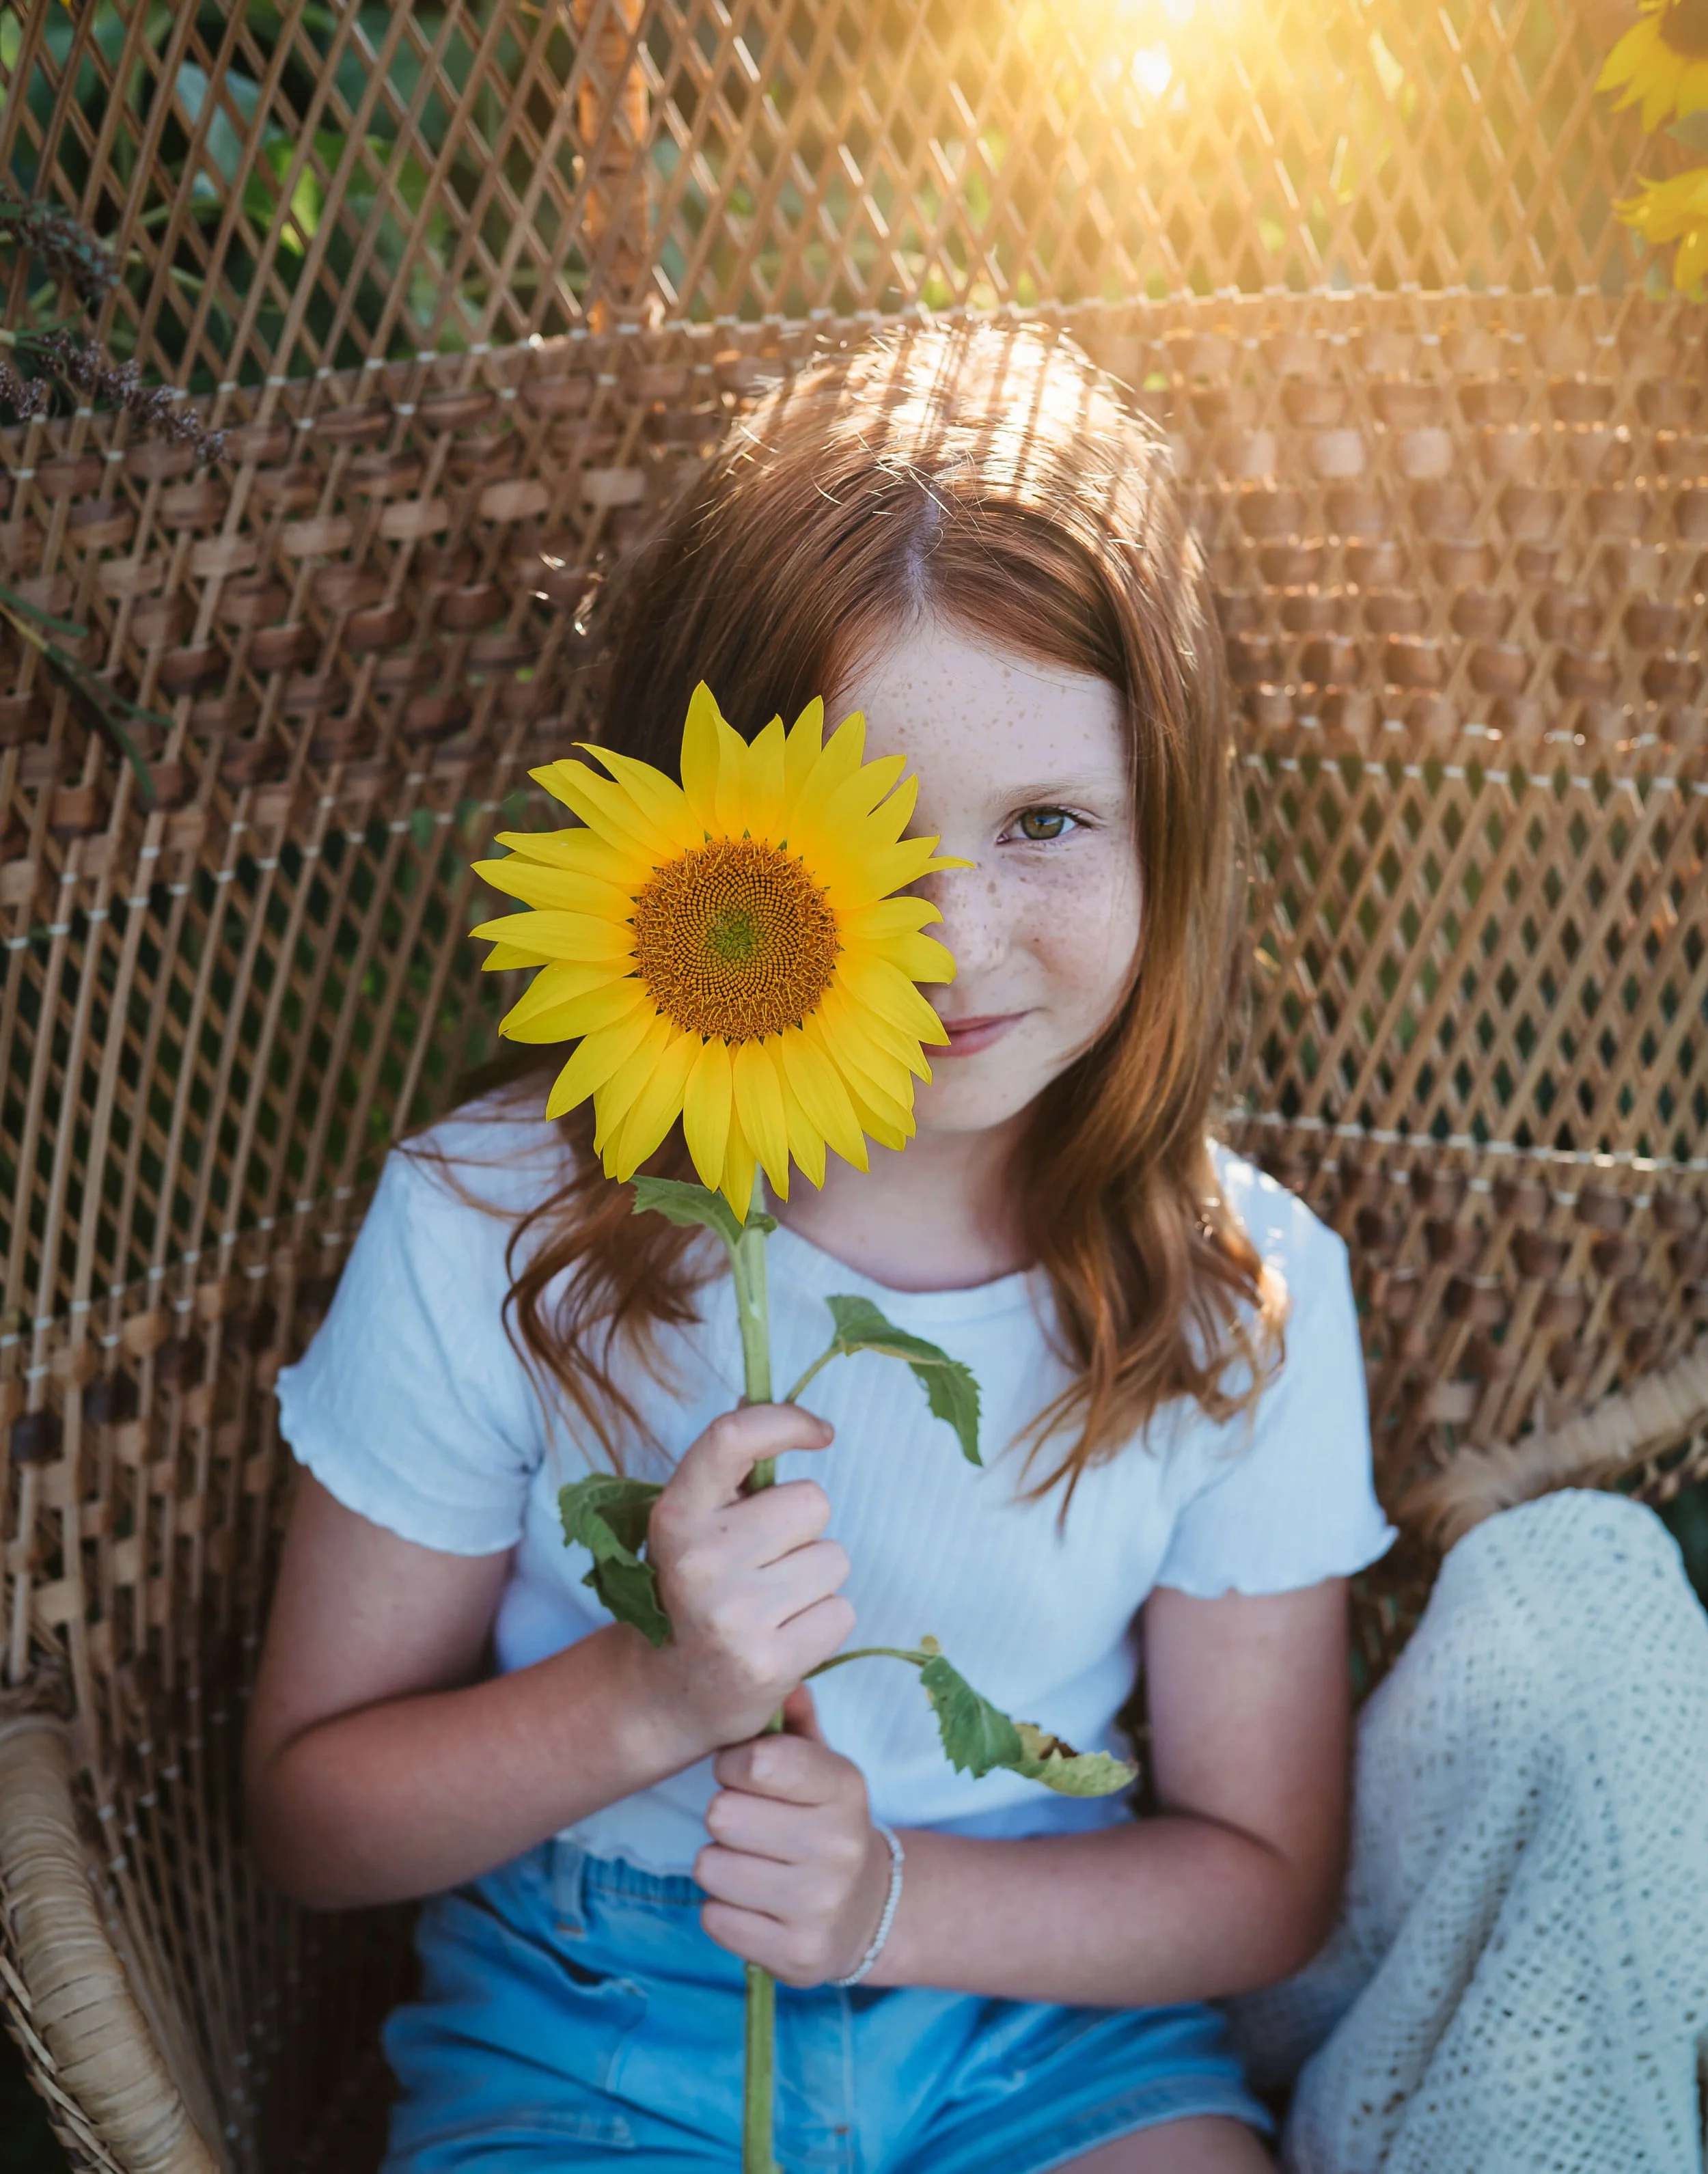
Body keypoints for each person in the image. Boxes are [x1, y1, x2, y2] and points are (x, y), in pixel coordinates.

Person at [245, 325, 1397, 2172]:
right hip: (589, 2022)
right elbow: (311, 1817)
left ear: (1165, 825)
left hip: (1041, 2022)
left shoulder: (1234, 1294)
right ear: (708, 850)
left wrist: (889, 1905)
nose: (949, 934)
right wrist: (656, 1693)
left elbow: (1258, 1880)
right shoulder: (499, 1224)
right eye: (860, 836)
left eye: (1044, 823)